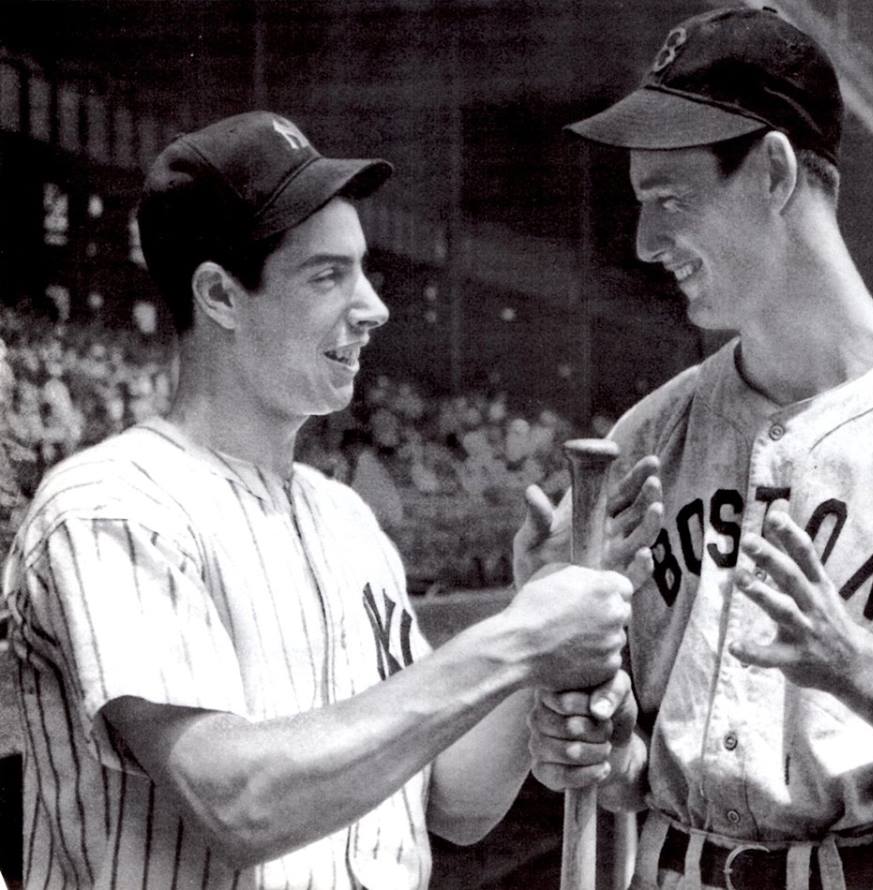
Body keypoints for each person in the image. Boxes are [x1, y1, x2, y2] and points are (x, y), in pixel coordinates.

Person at [2, 111, 663, 890]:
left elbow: (456, 802)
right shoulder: (113, 510)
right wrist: (517, 640)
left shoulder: (346, 521)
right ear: (218, 294)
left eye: (364, 270)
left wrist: (537, 633)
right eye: (328, 276)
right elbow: (239, 804)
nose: (374, 306)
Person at [519, 7, 873, 889]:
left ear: (773, 171)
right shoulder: (644, 441)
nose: (645, 244)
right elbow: (610, 764)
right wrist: (602, 748)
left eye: (667, 199)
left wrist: (863, 671)